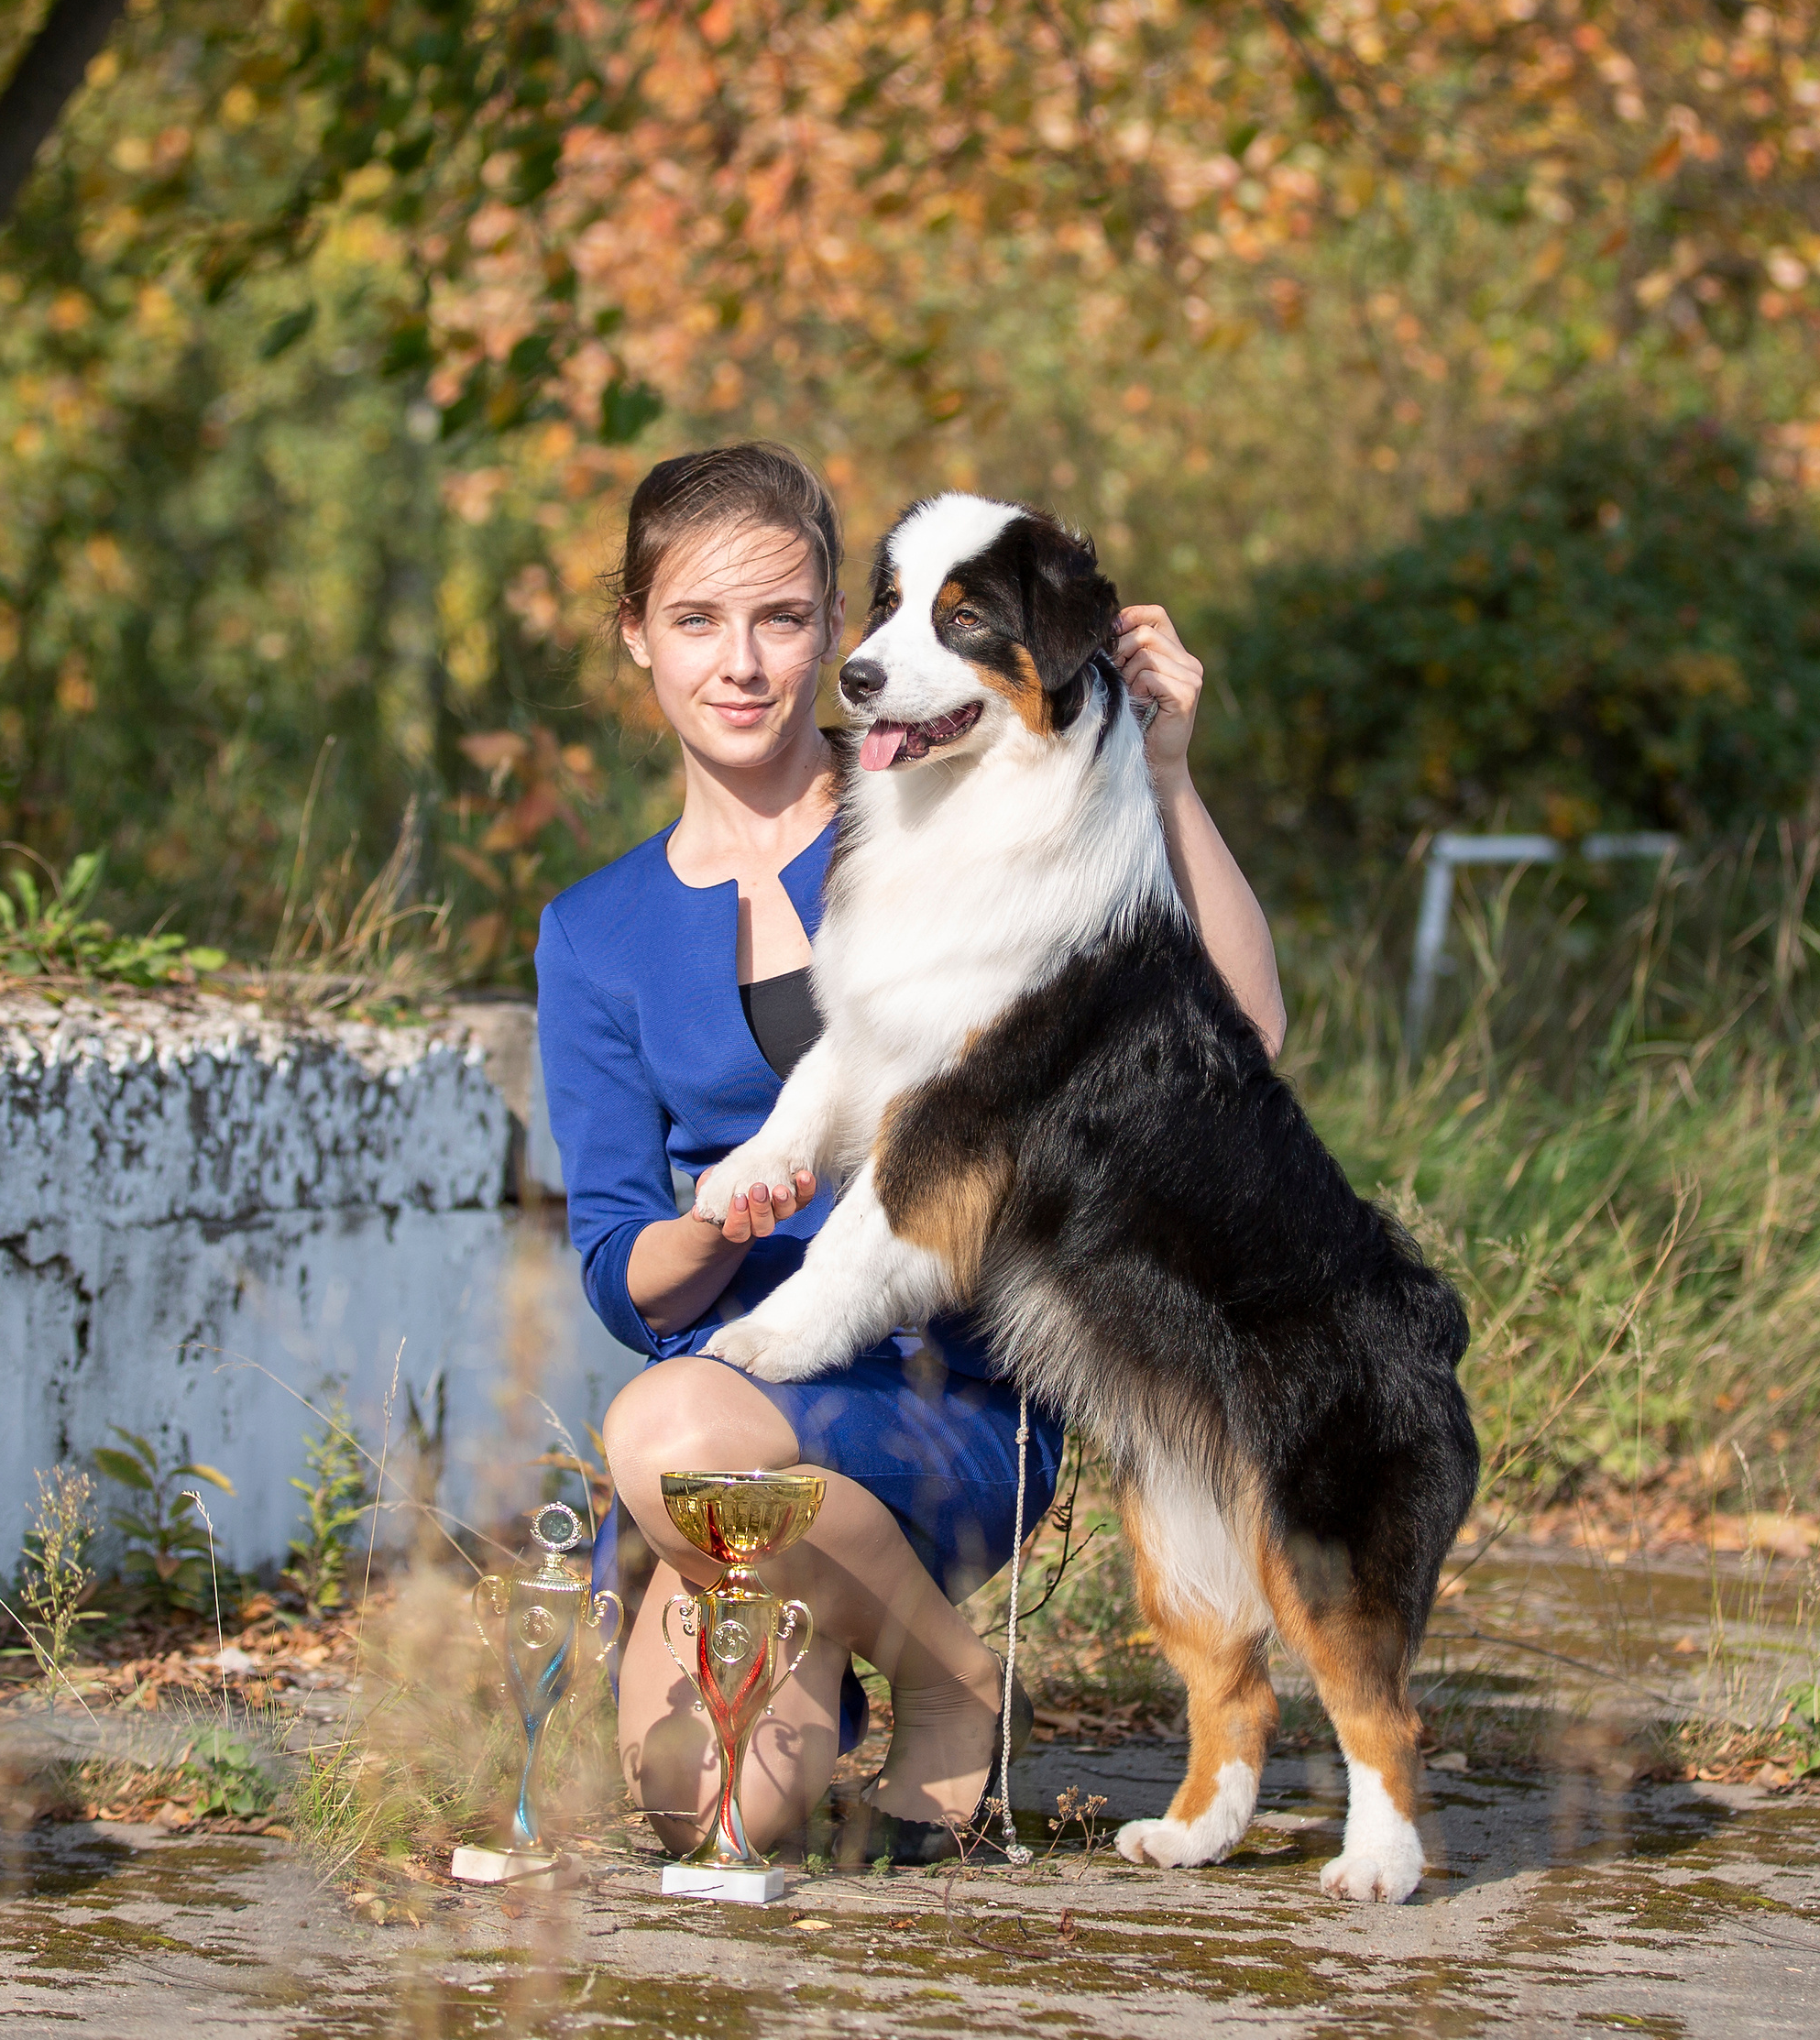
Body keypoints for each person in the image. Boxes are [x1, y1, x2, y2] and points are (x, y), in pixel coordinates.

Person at [535, 441, 1287, 1865]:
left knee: (667, 1427)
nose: (745, 664)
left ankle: (949, 1682)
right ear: (637, 637)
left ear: (842, 623)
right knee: (713, 1809)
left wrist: (1169, 776)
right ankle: (818, 1627)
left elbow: (1241, 1036)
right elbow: (622, 1276)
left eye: (783, 619)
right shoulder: (594, 931)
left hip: (944, 1399)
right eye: (697, 622)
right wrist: (719, 1217)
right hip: (739, 1419)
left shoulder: (965, 791)